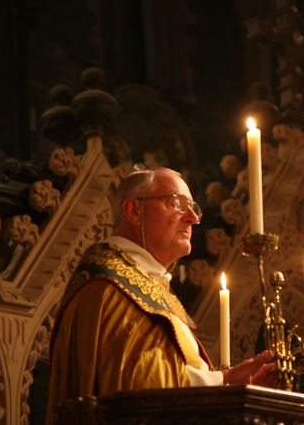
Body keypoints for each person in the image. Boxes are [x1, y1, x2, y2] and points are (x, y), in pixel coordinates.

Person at [46, 167, 275, 424]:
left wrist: (227, 381)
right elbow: (139, 387)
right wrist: (224, 386)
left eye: (194, 208)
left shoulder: (145, 283)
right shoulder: (110, 287)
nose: (192, 218)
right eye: (177, 204)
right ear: (134, 211)